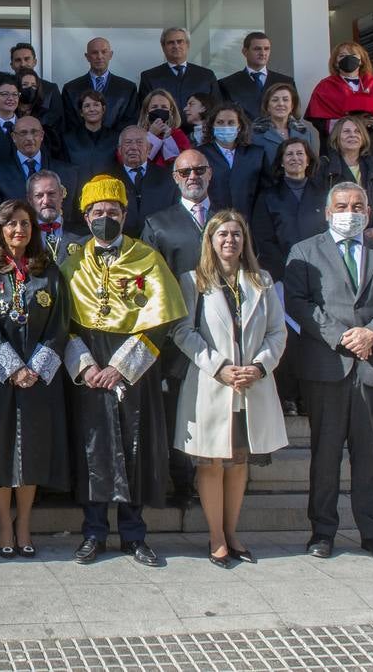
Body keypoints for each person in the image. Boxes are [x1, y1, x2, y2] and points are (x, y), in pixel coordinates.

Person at [284, 182, 373, 563]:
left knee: (369, 456)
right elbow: (299, 303)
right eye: (342, 205)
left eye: (358, 206)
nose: (350, 212)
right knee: (325, 455)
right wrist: (341, 336)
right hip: (327, 366)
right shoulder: (304, 252)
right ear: (327, 212)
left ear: (368, 212)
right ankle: (322, 531)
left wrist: (372, 331)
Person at [62, 176, 187, 567]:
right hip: (89, 362)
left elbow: (160, 321)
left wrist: (120, 367)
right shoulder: (71, 262)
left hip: (134, 364)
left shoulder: (147, 257)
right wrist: (86, 366)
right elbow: (62, 324)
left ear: (124, 213)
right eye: (97, 213)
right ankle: (93, 532)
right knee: (94, 451)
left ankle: (134, 535)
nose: (105, 218)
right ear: (85, 217)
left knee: (135, 447)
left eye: (111, 212)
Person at [173, 211, 288, 567]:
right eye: (222, 234)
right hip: (212, 385)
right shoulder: (193, 280)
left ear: (244, 240)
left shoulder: (262, 281)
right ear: (210, 240)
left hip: (251, 386)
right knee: (211, 463)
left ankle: (233, 531)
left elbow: (277, 332)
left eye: (236, 234)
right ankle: (216, 537)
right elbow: (182, 332)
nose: (230, 241)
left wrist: (258, 366)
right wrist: (219, 367)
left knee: (238, 463)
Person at [0, 200, 72, 559]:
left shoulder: (49, 272)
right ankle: (4, 523)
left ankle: (24, 522)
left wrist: (35, 368)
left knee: (32, 448)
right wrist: (13, 368)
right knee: (1, 448)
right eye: (11, 224)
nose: (19, 230)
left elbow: (60, 326)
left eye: (25, 224)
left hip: (39, 379)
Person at [140, 148, 219, 504]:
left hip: (224, 335)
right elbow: (148, 284)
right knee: (180, 414)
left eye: (199, 170)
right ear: (174, 178)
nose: (193, 177)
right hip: (176, 337)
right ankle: (183, 483)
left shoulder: (228, 219)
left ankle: (219, 480)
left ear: (210, 174)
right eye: (185, 172)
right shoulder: (159, 224)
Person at [250, 138, 326, 415]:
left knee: (314, 337)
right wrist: (283, 272)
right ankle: (288, 396)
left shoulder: (323, 193)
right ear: (281, 162)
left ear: (309, 159)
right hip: (282, 277)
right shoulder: (269, 196)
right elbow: (263, 238)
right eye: (289, 154)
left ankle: (311, 395)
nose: (295, 158)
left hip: (320, 277)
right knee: (286, 338)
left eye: (300, 153)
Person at [305, 42, 373, 160]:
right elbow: (319, 120)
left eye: (353, 55)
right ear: (336, 63)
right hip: (337, 151)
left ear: (361, 61)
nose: (348, 58)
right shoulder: (325, 87)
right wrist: (350, 123)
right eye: (342, 56)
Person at [322, 116, 373, 244]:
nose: (352, 135)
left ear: (363, 138)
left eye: (357, 131)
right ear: (336, 137)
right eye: (346, 131)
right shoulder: (324, 168)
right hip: (338, 241)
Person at [199, 103, 264, 220]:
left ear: (239, 127)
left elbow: (264, 192)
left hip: (249, 223)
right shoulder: (200, 154)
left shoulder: (256, 154)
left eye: (231, 123)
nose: (225, 126)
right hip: (213, 223)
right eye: (220, 122)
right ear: (212, 126)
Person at [108, 125, 176, 237]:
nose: (133, 147)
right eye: (128, 143)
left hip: (160, 244)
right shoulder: (108, 179)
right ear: (119, 150)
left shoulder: (168, 178)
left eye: (139, 142)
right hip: (122, 244)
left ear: (149, 149)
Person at [62, 37, 139, 132]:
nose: (99, 56)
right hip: (80, 145)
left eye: (104, 52)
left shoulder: (128, 89)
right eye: (94, 52)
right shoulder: (70, 89)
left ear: (111, 55)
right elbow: (69, 123)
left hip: (117, 144)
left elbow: (130, 123)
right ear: (87, 57)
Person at [217, 32, 296, 123]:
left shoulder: (286, 82)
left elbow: (294, 114)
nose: (263, 53)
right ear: (245, 52)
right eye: (257, 49)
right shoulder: (227, 84)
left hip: (277, 135)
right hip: (244, 134)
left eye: (266, 49)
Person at [137, 27, 220, 110]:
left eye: (180, 41)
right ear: (163, 47)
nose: (176, 46)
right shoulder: (149, 77)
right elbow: (144, 111)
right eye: (170, 42)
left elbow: (217, 109)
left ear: (188, 45)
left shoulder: (207, 76)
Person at [251, 81, 320, 175]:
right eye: (275, 100)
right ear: (267, 106)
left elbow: (312, 164)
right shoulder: (255, 133)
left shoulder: (305, 132)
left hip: (299, 186)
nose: (280, 104)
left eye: (285, 99)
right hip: (267, 187)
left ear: (292, 106)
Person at [9, 42, 64, 135]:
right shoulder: (4, 88)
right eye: (18, 60)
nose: (23, 64)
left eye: (27, 59)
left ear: (35, 62)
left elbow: (59, 122)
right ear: (12, 65)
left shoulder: (51, 89)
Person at [60, 90, 119, 172]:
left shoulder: (116, 138)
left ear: (103, 109)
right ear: (81, 112)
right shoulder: (68, 139)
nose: (92, 109)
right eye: (87, 106)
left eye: (96, 105)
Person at [136, 89, 191, 168]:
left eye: (164, 107)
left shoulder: (178, 134)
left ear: (171, 111)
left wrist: (168, 139)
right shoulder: (136, 134)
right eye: (154, 107)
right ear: (146, 111)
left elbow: (183, 164)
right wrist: (151, 136)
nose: (159, 110)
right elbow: (135, 163)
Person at [27, 170, 74, 263]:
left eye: (51, 194)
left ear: (61, 195)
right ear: (30, 200)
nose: (46, 201)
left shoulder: (84, 235)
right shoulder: (23, 236)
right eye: (39, 196)